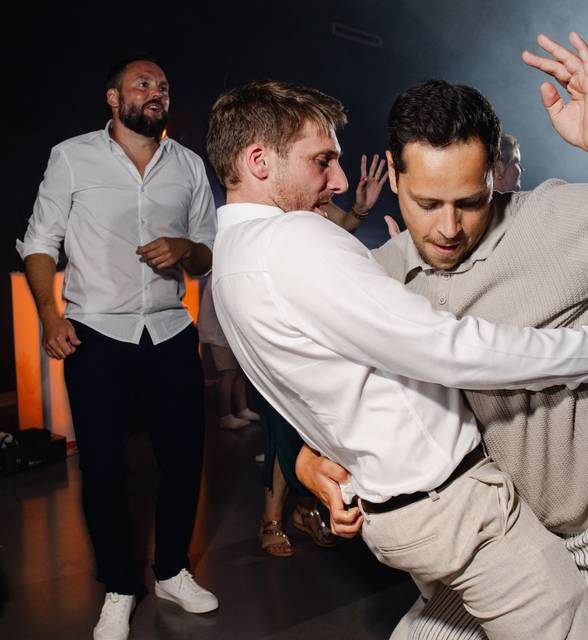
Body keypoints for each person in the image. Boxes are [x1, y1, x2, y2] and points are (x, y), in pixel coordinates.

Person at [301, 32, 588, 640]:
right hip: (513, 532)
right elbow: (340, 405)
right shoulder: (377, 278)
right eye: (427, 202)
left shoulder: (556, 217)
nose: (448, 228)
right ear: (393, 171)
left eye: (470, 202)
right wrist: (313, 462)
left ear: (494, 173)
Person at [206, 78, 588, 640]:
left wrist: (309, 463)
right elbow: (447, 348)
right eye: (322, 161)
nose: (338, 181)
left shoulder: (232, 261)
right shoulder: (290, 240)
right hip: (454, 510)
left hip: (399, 515)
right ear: (259, 161)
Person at [17, 55, 219, 640]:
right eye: (143, 84)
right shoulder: (71, 156)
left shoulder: (189, 165)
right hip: (96, 335)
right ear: (113, 97)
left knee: (183, 459)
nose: (157, 92)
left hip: (170, 332)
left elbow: (208, 251)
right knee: (104, 469)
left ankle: (173, 570)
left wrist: (185, 248)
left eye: (164, 86)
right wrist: (50, 316)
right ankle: (119, 586)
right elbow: (40, 242)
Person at [257, 152, 389, 557]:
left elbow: (338, 225)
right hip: (277, 328)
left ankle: (304, 510)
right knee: (281, 427)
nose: (334, 178)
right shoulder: (267, 205)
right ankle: (271, 519)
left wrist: (361, 209)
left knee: (309, 428)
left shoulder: (313, 200)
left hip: (316, 326)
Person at [198, 276, 260, 429]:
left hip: (227, 333)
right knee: (228, 373)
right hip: (218, 334)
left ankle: (242, 410)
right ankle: (225, 416)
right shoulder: (217, 277)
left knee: (239, 372)